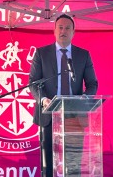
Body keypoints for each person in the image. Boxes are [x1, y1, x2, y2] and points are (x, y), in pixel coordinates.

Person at [29, 14, 98, 177]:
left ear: (74, 32)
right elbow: (33, 82)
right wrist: (43, 99)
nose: (63, 31)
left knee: (73, 164)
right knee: (50, 164)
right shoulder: (41, 53)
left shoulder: (83, 55)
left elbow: (92, 84)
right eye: (60, 27)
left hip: (75, 115)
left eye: (68, 28)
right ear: (54, 31)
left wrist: (86, 97)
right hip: (49, 114)